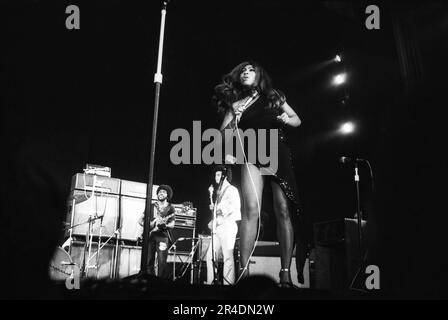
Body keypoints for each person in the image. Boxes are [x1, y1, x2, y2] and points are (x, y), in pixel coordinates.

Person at [212, 61, 305, 287]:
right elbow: (223, 134)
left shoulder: (273, 95)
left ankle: (285, 273)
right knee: (251, 209)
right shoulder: (237, 104)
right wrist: (235, 119)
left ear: (258, 74)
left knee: (282, 209)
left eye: (250, 69)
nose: (245, 72)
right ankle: (243, 273)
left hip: (276, 150)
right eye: (242, 70)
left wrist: (286, 119)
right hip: (251, 151)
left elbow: (296, 120)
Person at [205, 165, 241, 285]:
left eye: (219, 174)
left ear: (225, 177)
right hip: (218, 227)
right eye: (216, 174)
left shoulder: (232, 189)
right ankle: (211, 282)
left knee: (227, 257)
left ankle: (228, 284)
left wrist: (219, 209)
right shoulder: (218, 193)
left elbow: (235, 206)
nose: (217, 177)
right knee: (210, 256)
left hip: (228, 226)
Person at [139, 184, 176, 277]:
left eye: (163, 192)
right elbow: (140, 220)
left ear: (167, 195)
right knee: (148, 262)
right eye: (159, 192)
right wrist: (148, 225)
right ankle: (150, 283)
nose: (161, 193)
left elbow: (172, 224)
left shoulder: (170, 207)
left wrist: (165, 225)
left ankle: (159, 285)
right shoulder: (151, 206)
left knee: (162, 263)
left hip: (162, 237)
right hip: (150, 237)